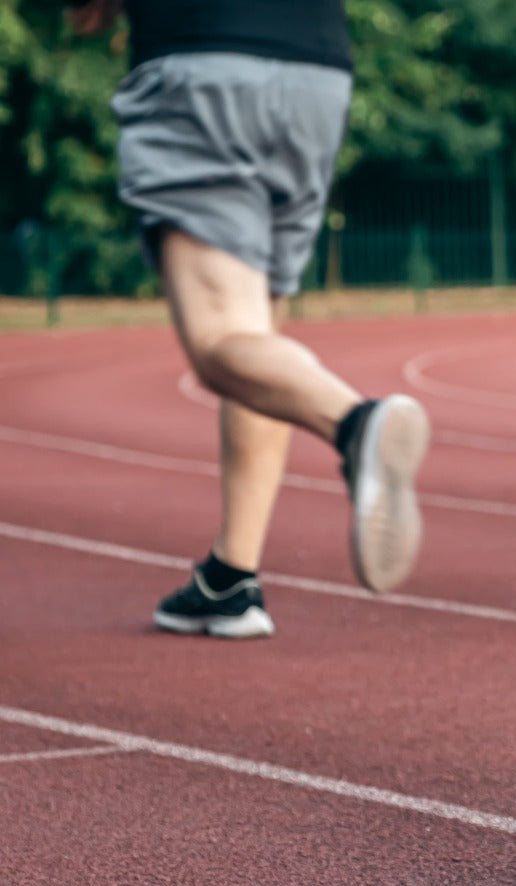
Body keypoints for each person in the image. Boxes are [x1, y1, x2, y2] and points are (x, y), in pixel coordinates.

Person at [68, 0, 430, 638]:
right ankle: (232, 575)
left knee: (219, 341)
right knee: (257, 332)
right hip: (317, 71)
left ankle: (356, 424)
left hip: (203, 66)